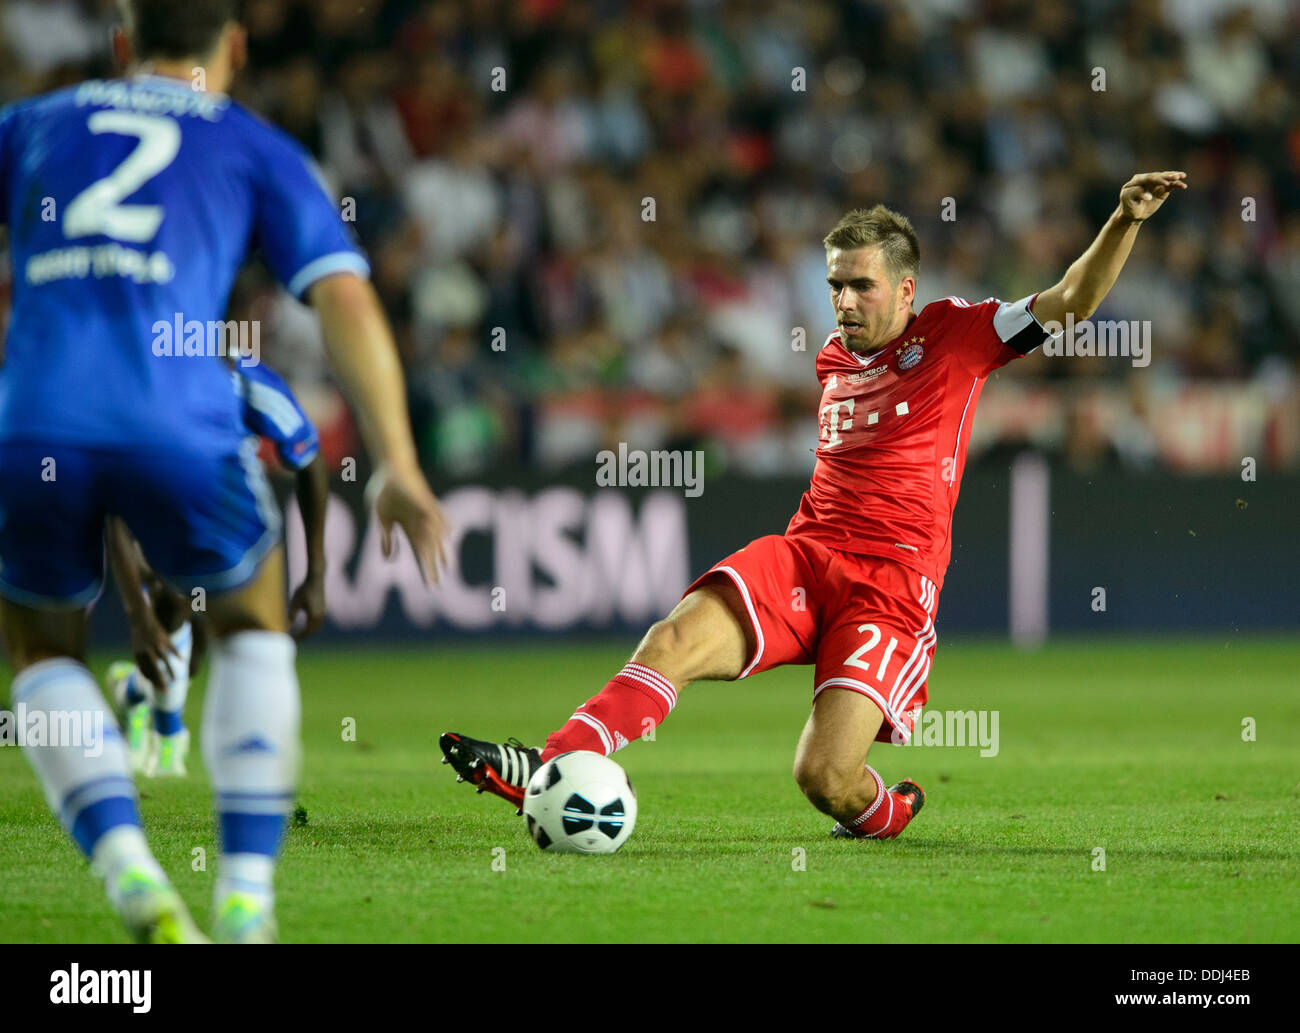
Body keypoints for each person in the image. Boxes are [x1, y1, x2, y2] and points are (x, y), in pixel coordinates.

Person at [442, 172, 1188, 840]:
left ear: (905, 289)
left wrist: (1123, 219)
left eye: (861, 285)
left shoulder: (960, 334)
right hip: (805, 555)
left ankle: (885, 811)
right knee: (670, 640)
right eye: (835, 284)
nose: (844, 300)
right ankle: (552, 764)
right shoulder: (834, 357)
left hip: (890, 588)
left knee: (824, 777)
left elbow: (1072, 300)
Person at [0, 0, 446, 943]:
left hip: (34, 419)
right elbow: (346, 298)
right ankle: (245, 896)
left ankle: (132, 880)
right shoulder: (257, 145)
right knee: (249, 627)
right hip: (180, 417)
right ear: (234, 49)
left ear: (122, 44)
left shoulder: (32, 125)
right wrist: (398, 461)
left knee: (42, 652)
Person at [105, 360, 330, 777]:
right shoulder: (136, 387)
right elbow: (113, 512)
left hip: (229, 521)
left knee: (196, 654)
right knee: (172, 606)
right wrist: (137, 617)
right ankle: (169, 738)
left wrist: (317, 573)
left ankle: (133, 689)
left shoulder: (247, 382)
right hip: (156, 515)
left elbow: (309, 460)